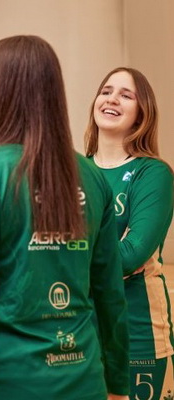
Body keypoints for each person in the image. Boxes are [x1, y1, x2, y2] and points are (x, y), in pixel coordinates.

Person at [0, 35, 130, 400]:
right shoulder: (91, 176)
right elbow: (110, 295)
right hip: (85, 380)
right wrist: (117, 385)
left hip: (5, 381)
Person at [85, 67, 174, 400]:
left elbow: (132, 255)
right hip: (76, 333)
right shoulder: (72, 172)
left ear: (142, 113)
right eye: (106, 90)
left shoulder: (152, 173)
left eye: (126, 94)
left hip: (137, 331)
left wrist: (72, 255)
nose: (112, 99)